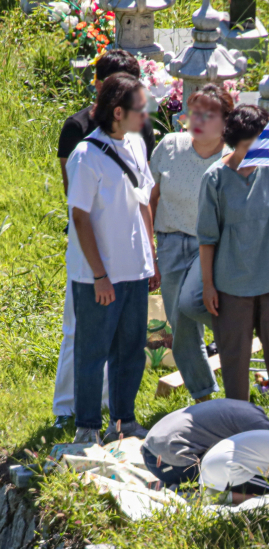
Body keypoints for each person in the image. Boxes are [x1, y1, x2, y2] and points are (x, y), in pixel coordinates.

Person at [53, 49, 156, 428]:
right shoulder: (85, 154)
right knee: (92, 352)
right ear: (117, 112)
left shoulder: (137, 143)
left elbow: (143, 201)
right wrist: (99, 275)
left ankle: (124, 421)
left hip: (134, 269)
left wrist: (151, 258)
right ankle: (86, 427)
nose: (144, 115)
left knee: (130, 350)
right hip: (98, 273)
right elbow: (80, 218)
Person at [195, 105, 269, 430]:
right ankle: (240, 422)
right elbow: (207, 239)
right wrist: (208, 285)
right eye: (247, 147)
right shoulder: (215, 178)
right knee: (234, 357)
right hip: (231, 285)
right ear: (234, 143)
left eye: (259, 144)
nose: (254, 153)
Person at [149, 84, 234, 402]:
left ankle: (242, 327)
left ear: (225, 122)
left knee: (191, 304)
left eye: (207, 115)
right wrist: (151, 251)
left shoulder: (232, 158)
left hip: (210, 246)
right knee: (181, 327)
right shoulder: (170, 146)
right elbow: (150, 199)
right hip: (170, 243)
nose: (197, 120)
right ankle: (204, 398)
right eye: (194, 112)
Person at [142, 399, 269, 486]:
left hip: (151, 447)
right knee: (255, 482)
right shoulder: (262, 429)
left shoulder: (255, 412)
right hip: (166, 461)